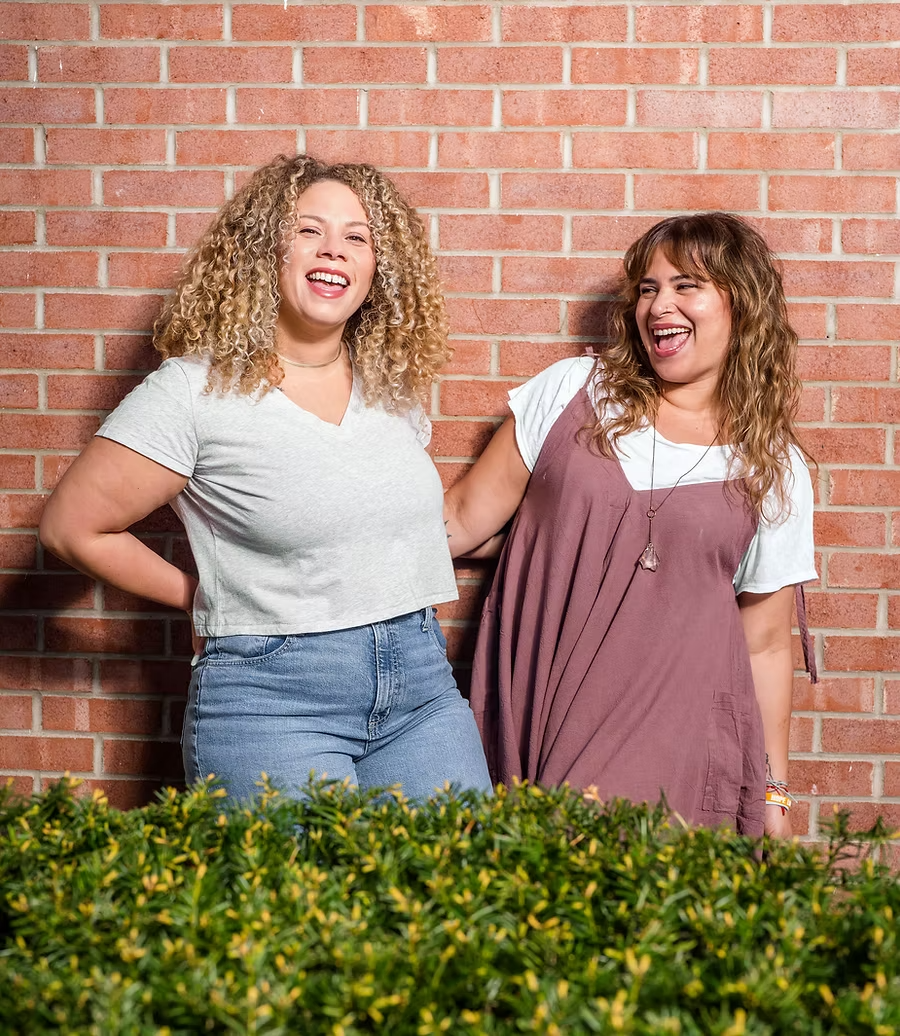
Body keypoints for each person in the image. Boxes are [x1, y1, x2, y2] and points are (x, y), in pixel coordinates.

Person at [40, 153, 491, 802]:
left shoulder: (393, 388)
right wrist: (205, 596)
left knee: (459, 888)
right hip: (273, 701)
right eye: (309, 230)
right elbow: (70, 528)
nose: (333, 249)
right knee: (288, 904)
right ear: (265, 250)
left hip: (419, 686)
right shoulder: (194, 392)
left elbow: (390, 528)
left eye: (357, 237)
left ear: (378, 269)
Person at [444, 212, 816, 837]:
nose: (660, 304)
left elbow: (767, 643)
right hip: (538, 704)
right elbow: (457, 519)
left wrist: (774, 794)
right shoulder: (572, 392)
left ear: (742, 305)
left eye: (687, 285)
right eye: (649, 288)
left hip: (680, 730)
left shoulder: (773, 465)